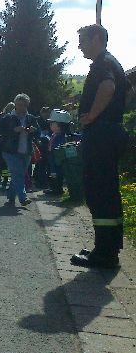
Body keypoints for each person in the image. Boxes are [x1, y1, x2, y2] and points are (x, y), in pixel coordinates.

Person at [70, 24, 129, 269]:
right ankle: (108, 248)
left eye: (82, 40)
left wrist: (93, 115)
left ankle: (104, 254)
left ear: (96, 39)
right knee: (108, 192)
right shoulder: (111, 62)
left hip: (101, 135)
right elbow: (125, 93)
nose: (79, 46)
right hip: (109, 133)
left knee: (99, 192)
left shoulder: (102, 63)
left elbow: (108, 87)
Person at [0, 94, 40, 207]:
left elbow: (38, 133)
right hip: (10, 151)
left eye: (24, 105)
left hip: (26, 151)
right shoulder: (8, 118)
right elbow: (0, 132)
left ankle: (11, 197)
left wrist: (33, 130)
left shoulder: (31, 118)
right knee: (18, 174)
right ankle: (23, 197)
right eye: (20, 105)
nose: (22, 107)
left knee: (18, 174)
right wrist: (14, 130)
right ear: (15, 104)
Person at [45, 109, 72, 196]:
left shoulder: (63, 137)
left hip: (57, 158)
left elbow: (60, 148)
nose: (50, 125)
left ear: (60, 125)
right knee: (52, 173)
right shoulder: (54, 134)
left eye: (52, 123)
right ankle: (53, 188)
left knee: (57, 173)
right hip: (52, 157)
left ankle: (57, 189)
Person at [0, 102, 14, 189]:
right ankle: (2, 181)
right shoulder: (7, 117)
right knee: (2, 164)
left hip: (3, 143)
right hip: (4, 143)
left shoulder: (4, 116)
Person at [34, 106, 52, 188]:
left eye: (47, 113)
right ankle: (40, 180)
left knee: (44, 163)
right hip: (39, 143)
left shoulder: (50, 121)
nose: (46, 114)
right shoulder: (37, 120)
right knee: (40, 162)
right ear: (41, 113)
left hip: (47, 143)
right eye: (44, 113)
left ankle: (41, 179)